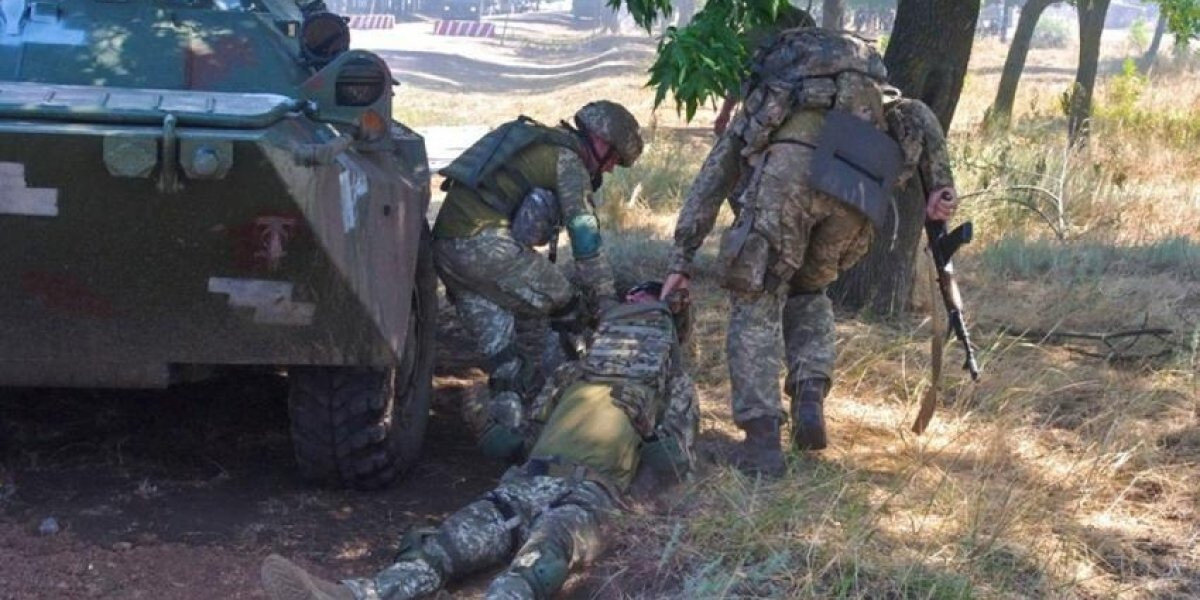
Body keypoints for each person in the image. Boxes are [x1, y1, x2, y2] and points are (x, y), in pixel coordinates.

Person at [261, 283, 697, 600]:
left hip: (592, 493)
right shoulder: (572, 374)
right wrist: (489, 429)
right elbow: (527, 439)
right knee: (445, 545)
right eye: (632, 302)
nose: (636, 311)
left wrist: (647, 429)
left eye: (648, 303)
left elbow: (675, 470)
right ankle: (356, 595)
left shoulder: (675, 386)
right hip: (528, 481)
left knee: (539, 562)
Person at [660, 25, 960, 476]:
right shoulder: (872, 101)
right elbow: (921, 117)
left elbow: (712, 179)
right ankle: (809, 396)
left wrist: (681, 259)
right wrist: (941, 184)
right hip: (858, 182)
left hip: (791, 175)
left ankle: (762, 443)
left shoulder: (772, 98)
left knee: (755, 298)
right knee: (809, 289)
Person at [431, 101, 644, 454]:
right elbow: (585, 236)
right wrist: (605, 302)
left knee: (505, 356)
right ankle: (566, 398)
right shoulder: (567, 160)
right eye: (614, 160)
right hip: (484, 246)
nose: (609, 170)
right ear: (602, 141)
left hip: (447, 251)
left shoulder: (538, 142)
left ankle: (507, 439)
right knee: (566, 303)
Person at [712, 4, 817, 137]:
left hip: (779, 110)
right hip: (768, 109)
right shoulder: (751, 20)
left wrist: (725, 113)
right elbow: (739, 74)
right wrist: (725, 113)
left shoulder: (799, 19)